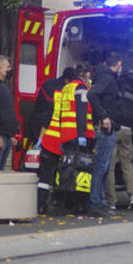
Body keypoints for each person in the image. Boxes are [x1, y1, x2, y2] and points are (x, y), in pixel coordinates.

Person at [42, 66, 93, 214]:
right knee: (82, 169)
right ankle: (79, 204)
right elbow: (81, 112)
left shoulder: (65, 89)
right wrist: (82, 135)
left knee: (66, 169)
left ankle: (63, 202)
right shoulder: (80, 88)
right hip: (79, 135)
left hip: (66, 135)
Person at [105, 67, 133, 211]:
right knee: (128, 165)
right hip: (129, 132)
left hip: (113, 129)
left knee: (110, 167)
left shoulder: (117, 88)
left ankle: (111, 202)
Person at [35, 68, 76, 214]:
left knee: (45, 176)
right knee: (63, 175)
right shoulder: (71, 96)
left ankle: (40, 205)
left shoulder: (53, 91)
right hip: (65, 141)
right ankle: (60, 205)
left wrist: (40, 138)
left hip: (49, 140)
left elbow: (45, 116)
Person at [87, 52, 123, 216]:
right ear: (118, 64)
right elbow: (92, 94)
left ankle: (100, 201)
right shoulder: (108, 79)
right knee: (101, 167)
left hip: (106, 128)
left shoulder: (103, 77)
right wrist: (104, 116)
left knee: (104, 167)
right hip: (105, 129)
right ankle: (95, 203)